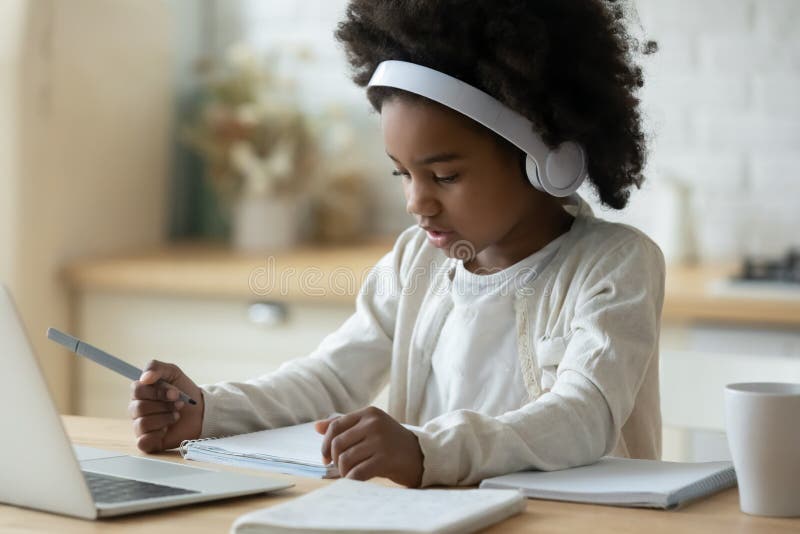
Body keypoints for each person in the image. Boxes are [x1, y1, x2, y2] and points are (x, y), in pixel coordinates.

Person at [129, 0, 664, 488]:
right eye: (402, 174)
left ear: (546, 159)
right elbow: (333, 375)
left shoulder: (615, 264)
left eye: (445, 176)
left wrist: (426, 450)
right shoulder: (418, 260)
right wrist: (211, 411)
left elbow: (582, 417)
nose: (417, 201)